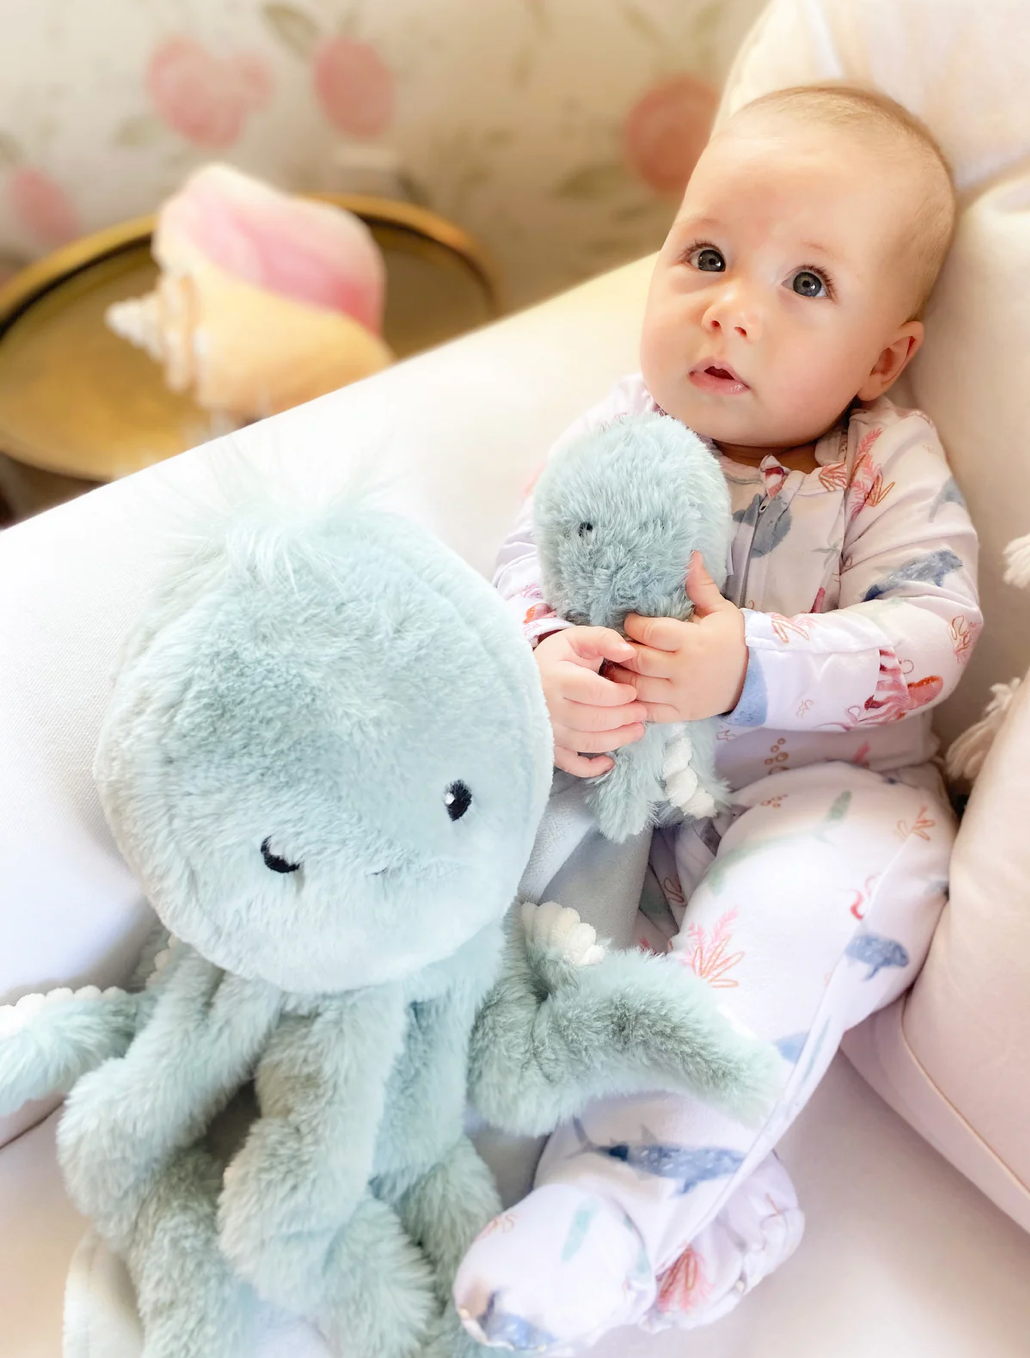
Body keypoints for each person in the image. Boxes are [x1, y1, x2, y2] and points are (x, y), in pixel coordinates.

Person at [454, 84, 982, 1351]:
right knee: (535, 953)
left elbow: (933, 638)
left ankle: (611, 1211)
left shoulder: (881, 462)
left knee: (775, 932)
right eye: (704, 256)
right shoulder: (621, 430)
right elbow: (521, 563)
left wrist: (751, 660)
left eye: (807, 285)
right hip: (636, 808)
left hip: (829, 802)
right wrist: (543, 659)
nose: (730, 305)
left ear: (882, 355)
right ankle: (714, 1204)